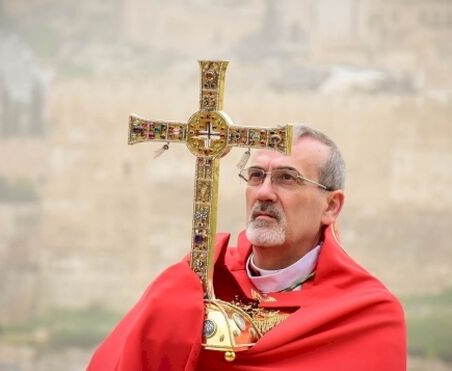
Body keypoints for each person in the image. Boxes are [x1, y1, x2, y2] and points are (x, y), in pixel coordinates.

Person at [88, 125, 406, 370]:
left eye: (286, 179)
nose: (264, 192)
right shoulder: (193, 281)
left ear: (331, 206)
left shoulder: (367, 314)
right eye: (256, 176)